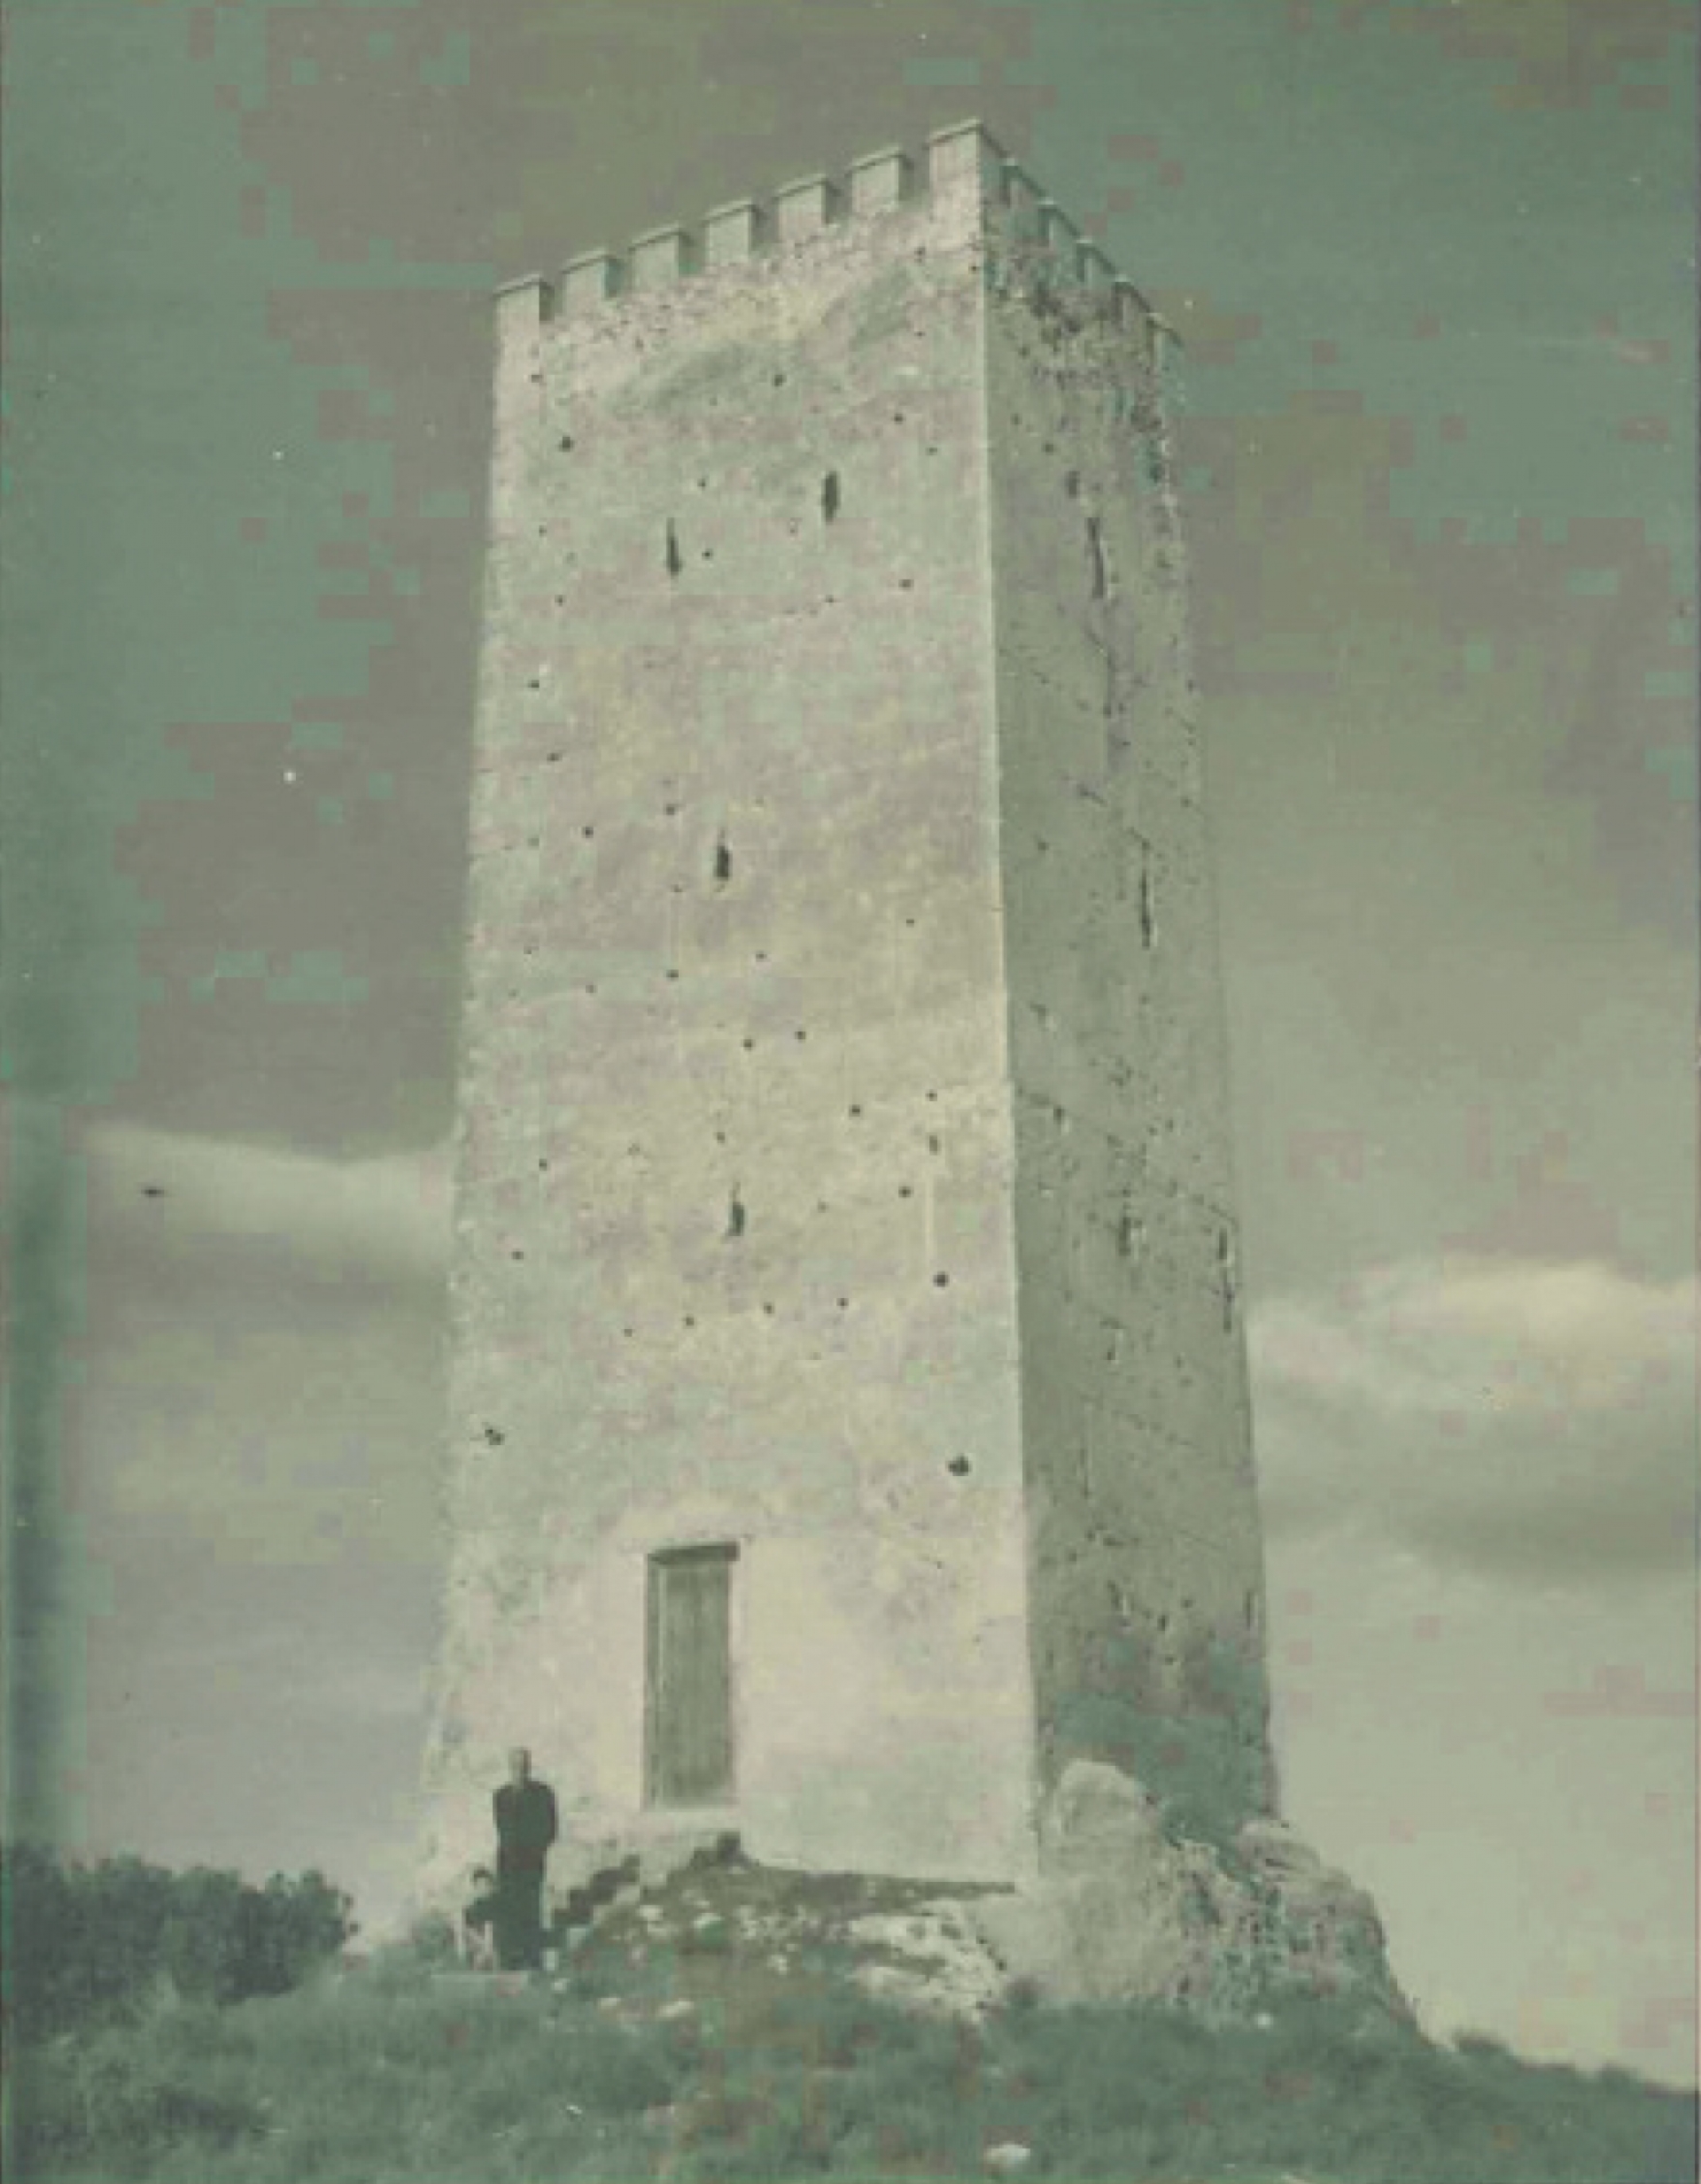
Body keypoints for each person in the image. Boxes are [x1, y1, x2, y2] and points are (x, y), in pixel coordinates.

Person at [493, 1746, 558, 1970]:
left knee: (530, 1910)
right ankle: (511, 1959)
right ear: (509, 1768)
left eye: (523, 1765)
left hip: (531, 1863)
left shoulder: (542, 1793)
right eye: (514, 1766)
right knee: (510, 1910)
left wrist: (535, 1850)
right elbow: (502, 1829)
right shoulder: (500, 1796)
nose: (519, 1770)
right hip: (508, 1864)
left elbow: (551, 1828)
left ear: (529, 1766)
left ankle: (532, 1960)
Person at [454, 1866, 501, 1970]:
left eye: (486, 1885)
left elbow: (491, 1930)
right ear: (475, 1887)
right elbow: (465, 1930)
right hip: (478, 1946)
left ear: (491, 1887)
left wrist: (488, 1948)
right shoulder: (471, 1909)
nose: (483, 1888)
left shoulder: (496, 1906)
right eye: (480, 1885)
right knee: (461, 1923)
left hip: (494, 1947)